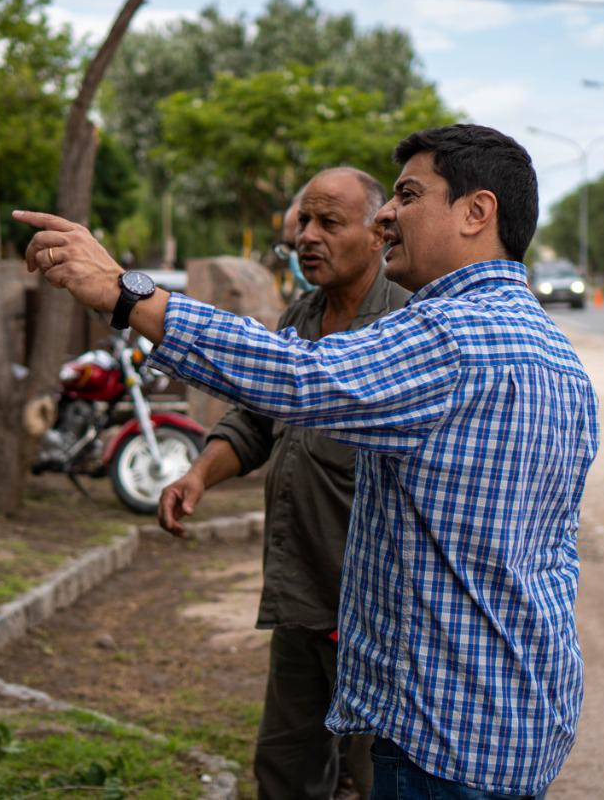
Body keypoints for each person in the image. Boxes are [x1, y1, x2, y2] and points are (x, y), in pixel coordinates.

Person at [16, 123, 600, 800]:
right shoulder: (555, 354)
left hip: (446, 737)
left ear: (477, 213)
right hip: (512, 717)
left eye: (407, 195)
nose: (386, 216)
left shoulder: (452, 336)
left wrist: (126, 292)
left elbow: (297, 379)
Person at [159, 167, 409, 800]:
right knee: (286, 769)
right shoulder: (302, 314)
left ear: (379, 233)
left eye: (329, 222)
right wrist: (199, 474)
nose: (307, 236)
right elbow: (255, 415)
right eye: (303, 221)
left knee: (382, 777)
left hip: (377, 618)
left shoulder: (409, 325)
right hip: (303, 597)